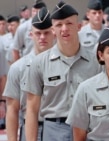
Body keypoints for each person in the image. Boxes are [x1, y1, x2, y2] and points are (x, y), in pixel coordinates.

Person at [23, 1, 101, 141]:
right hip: (54, 131)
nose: (64, 28)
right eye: (59, 25)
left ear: (78, 26)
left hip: (88, 129)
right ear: (53, 30)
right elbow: (32, 110)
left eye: (69, 23)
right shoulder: (40, 63)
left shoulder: (95, 62)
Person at [3, 7, 54, 141]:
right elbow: (12, 110)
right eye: (38, 33)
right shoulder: (18, 68)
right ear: (31, 34)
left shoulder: (64, 65)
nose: (42, 37)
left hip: (58, 130)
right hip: (30, 129)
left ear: (54, 33)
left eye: (46, 33)